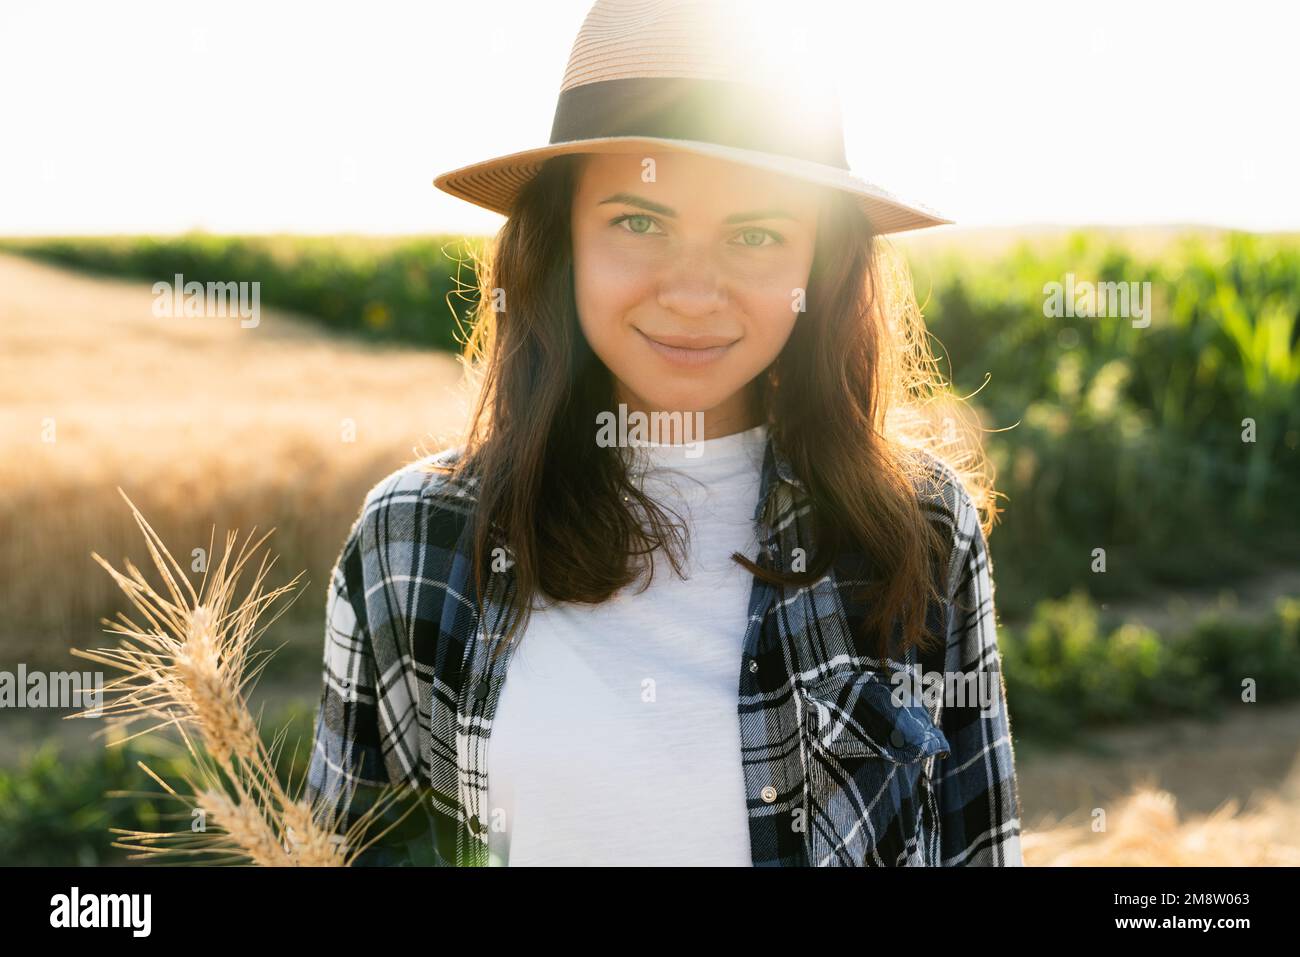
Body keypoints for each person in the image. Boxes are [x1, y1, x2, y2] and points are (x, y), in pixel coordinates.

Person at [307, 0, 1023, 867]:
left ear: (820, 263)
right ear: (561, 239)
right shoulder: (412, 540)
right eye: (639, 222)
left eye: (756, 233)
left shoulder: (918, 526)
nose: (692, 292)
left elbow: (978, 850)